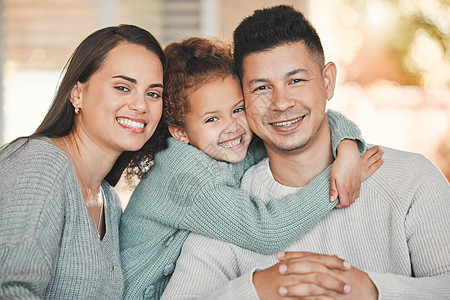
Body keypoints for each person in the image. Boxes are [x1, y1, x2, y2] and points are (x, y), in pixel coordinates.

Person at [161, 5, 450, 300]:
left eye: (296, 81)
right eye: (261, 88)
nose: (281, 103)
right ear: (243, 99)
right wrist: (257, 289)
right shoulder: (229, 209)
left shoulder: (413, 180)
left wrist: (374, 292)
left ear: (327, 82)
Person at [120, 36, 383, 299]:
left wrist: (346, 146)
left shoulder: (223, 146)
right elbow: (266, 230)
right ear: (180, 132)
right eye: (212, 118)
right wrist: (336, 181)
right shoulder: (184, 177)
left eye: (238, 110)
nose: (232, 126)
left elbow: (301, 126)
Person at [0, 24, 166, 299]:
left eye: (153, 93)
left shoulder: (109, 202)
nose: (141, 105)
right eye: (123, 87)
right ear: (77, 93)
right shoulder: (40, 163)